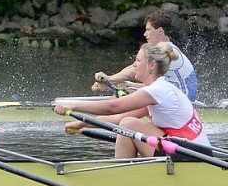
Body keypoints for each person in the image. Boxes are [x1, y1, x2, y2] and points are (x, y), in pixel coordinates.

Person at [55, 42, 211, 159]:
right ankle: (124, 170)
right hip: (193, 150)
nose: (134, 65)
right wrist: (81, 124)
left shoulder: (157, 90)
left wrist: (73, 105)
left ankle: (122, 175)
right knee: (127, 123)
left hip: (193, 154)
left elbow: (113, 107)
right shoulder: (160, 90)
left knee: (128, 125)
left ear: (151, 65)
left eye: (138, 61)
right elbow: (118, 117)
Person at [93, 10, 198, 101]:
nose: (144, 34)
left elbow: (133, 72)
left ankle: (99, 119)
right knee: (123, 88)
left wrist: (108, 79)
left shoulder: (163, 50)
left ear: (160, 30)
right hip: (172, 94)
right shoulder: (162, 49)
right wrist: (109, 83)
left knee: (118, 100)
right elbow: (135, 67)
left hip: (182, 100)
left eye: (148, 30)